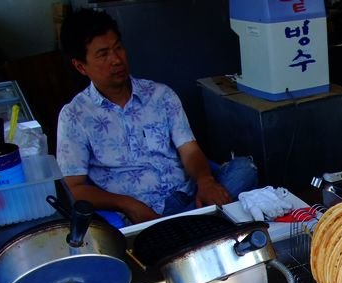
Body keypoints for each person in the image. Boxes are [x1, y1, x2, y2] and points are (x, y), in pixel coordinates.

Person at [56, 8, 257, 224]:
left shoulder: (161, 95)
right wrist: (127, 204)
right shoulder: (74, 116)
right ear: (80, 66)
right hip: (142, 214)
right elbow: (74, 188)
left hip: (191, 196)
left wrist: (205, 181)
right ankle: (199, 224)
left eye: (118, 48)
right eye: (103, 54)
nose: (116, 59)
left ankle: (184, 227)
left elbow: (189, 150)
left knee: (244, 170)